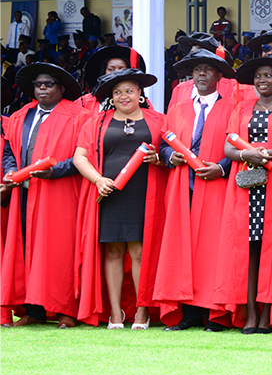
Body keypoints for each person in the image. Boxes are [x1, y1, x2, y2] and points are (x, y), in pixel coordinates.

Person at [73, 68, 166, 329]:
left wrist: (158, 159)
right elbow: (79, 157)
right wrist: (98, 180)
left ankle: (141, 312)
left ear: (139, 93)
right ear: (111, 97)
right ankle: (115, 314)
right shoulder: (96, 122)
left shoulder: (158, 120)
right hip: (109, 193)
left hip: (144, 193)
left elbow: (169, 152)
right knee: (112, 251)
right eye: (117, 92)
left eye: (128, 91)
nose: (123, 96)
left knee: (139, 252)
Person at [215, 57, 272, 333]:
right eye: (258, 77)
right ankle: (250, 311)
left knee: (271, 248)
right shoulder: (242, 108)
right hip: (246, 187)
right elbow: (228, 148)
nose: (262, 81)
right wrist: (245, 154)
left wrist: (262, 155)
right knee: (249, 248)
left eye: (268, 76)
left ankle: (269, 313)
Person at [153, 50, 237, 331]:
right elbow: (163, 144)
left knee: (212, 249)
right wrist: (169, 157)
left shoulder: (232, 108)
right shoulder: (177, 110)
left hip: (216, 187)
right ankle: (186, 313)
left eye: (208, 69)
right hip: (182, 187)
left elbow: (237, 146)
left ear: (218, 76)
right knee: (183, 248)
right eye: (197, 69)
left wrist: (222, 168)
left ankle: (213, 313)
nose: (201, 74)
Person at [1, 63, 85, 328]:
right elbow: (9, 151)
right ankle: (33, 309)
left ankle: (65, 311)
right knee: (27, 249)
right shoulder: (20, 115)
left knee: (59, 250)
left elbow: (83, 156)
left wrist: (57, 171)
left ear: (61, 88)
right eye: (39, 84)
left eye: (49, 84)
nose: (43, 88)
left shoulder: (77, 115)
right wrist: (11, 170)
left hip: (59, 192)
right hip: (24, 194)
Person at [80, 45, 146, 114]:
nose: (116, 73)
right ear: (104, 72)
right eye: (111, 69)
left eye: (122, 69)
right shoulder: (84, 102)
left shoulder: (140, 100)